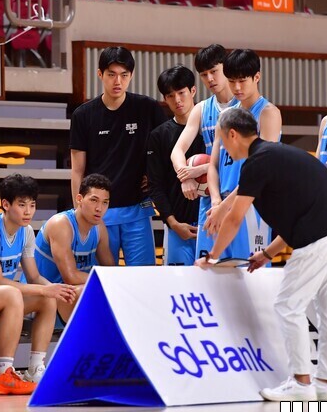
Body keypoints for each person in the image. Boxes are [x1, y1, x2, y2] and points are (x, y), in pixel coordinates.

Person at [201, 108, 327, 402]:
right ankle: (326, 384)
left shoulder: (257, 162)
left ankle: (301, 382)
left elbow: (234, 218)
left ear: (232, 135)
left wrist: (212, 256)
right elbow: (303, 210)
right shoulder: (278, 154)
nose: (223, 148)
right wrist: (267, 253)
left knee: (288, 305)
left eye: (222, 139)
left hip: (320, 236)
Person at [0, 174, 77, 391]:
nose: (28, 211)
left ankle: (35, 368)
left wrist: (56, 289)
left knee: (47, 300)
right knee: (14, 293)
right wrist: (44, 289)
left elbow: (34, 277)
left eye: (32, 205)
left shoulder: (27, 232)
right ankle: (4, 372)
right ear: (6, 204)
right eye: (22, 205)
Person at [70, 46, 167, 266]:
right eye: (111, 74)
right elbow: (77, 169)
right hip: (99, 213)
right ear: (100, 74)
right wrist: (79, 212)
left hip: (138, 210)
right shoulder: (83, 115)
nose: (118, 81)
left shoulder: (147, 107)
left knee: (143, 278)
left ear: (131, 75)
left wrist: (155, 175)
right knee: (102, 278)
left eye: (124, 75)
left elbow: (168, 146)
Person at [207, 49, 282, 260]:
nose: (237, 87)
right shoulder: (226, 116)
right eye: (232, 81)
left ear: (256, 77)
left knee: (249, 270)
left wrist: (225, 206)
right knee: (214, 271)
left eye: (242, 81)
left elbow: (261, 172)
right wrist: (216, 202)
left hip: (251, 205)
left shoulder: (268, 113)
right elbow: (213, 164)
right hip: (222, 205)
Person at [171, 44, 234, 262]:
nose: (210, 79)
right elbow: (177, 150)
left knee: (242, 267)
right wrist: (185, 176)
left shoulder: (245, 106)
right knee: (208, 266)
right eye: (204, 75)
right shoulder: (201, 109)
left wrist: (199, 170)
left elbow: (249, 161)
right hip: (211, 196)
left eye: (214, 71)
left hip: (239, 194)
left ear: (226, 68)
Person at [35, 174, 114, 321]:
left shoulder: (99, 228)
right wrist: (109, 280)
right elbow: (70, 277)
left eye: (105, 203)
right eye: (94, 200)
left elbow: (110, 271)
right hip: (44, 296)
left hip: (71, 296)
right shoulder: (61, 224)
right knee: (89, 292)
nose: (99, 208)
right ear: (79, 199)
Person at [147, 66, 205, 265]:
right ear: (164, 98)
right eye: (170, 96)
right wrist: (172, 223)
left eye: (181, 93)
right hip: (178, 227)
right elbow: (155, 186)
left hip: (212, 224)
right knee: (179, 281)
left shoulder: (211, 128)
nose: (177, 100)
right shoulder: (159, 136)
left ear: (193, 91)